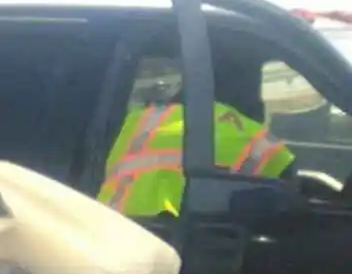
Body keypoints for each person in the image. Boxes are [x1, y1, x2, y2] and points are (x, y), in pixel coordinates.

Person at [98, 53, 294, 218]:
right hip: (186, 247)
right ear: (250, 91)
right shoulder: (257, 140)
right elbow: (293, 205)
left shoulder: (138, 121)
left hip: (111, 239)